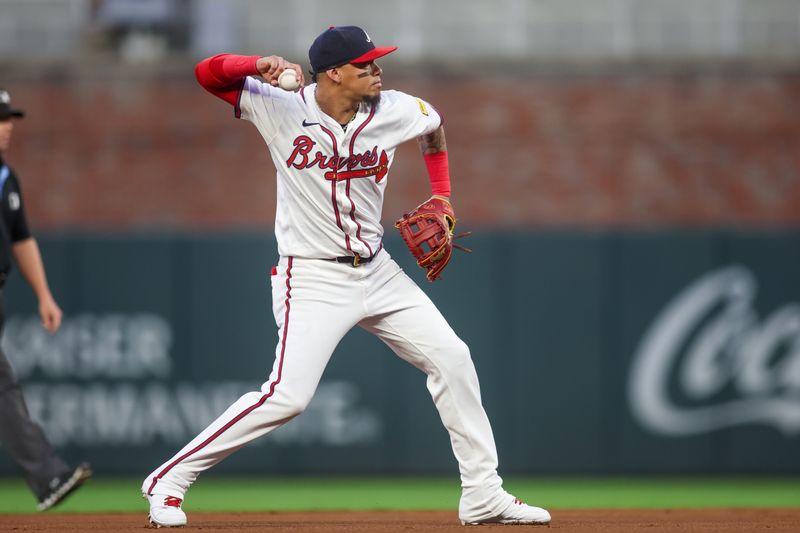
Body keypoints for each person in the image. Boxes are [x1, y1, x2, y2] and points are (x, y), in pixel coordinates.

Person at [142, 26, 551, 527]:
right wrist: (256, 64)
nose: (378, 71)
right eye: (366, 65)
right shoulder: (280, 105)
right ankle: (169, 480)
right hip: (311, 277)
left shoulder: (397, 109)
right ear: (334, 73)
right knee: (287, 397)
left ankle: (484, 495)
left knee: (453, 358)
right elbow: (206, 73)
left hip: (379, 271)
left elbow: (434, 128)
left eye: (377, 62)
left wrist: (442, 195)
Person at [0, 88, 92, 511]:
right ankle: (47, 476)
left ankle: (48, 476)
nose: (8, 127)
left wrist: (44, 295)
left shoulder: (5, 176)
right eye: (1, 120)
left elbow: (21, 238)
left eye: (9, 119)